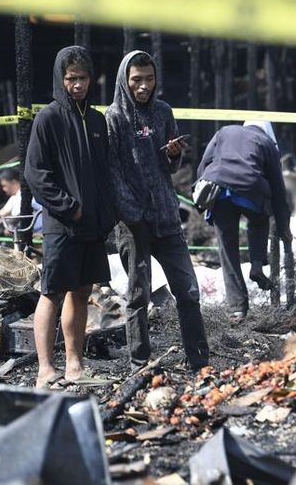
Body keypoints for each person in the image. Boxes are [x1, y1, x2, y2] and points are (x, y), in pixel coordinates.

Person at [106, 50, 210, 371]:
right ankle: (140, 364)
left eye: (149, 79)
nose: (143, 86)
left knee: (189, 291)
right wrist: (131, 213)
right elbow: (111, 172)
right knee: (139, 296)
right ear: (125, 80)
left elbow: (170, 165)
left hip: (166, 215)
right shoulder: (114, 118)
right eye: (136, 80)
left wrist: (174, 154)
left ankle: (199, 362)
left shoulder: (163, 112)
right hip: (133, 223)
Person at [24, 45, 117, 388]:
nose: (77, 85)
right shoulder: (48, 118)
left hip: (93, 225)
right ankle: (45, 369)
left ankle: (75, 365)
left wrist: (105, 213)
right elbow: (35, 173)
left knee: (81, 292)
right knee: (52, 292)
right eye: (70, 79)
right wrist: (69, 206)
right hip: (62, 225)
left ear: (91, 79)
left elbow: (105, 172)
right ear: (60, 80)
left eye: (82, 78)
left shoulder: (97, 121)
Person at [196, 121, 290, 325]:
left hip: (219, 190)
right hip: (250, 190)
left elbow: (204, 164)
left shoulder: (224, 131)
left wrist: (201, 195)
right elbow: (278, 189)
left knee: (227, 250)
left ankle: (237, 309)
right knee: (258, 221)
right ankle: (257, 264)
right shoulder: (266, 143)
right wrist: (284, 228)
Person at [0, 169, 42, 235]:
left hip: (38, 232)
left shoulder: (23, 195)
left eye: (4, 186)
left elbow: (15, 217)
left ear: (14, 182)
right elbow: (0, 214)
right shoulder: (14, 197)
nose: (3, 189)